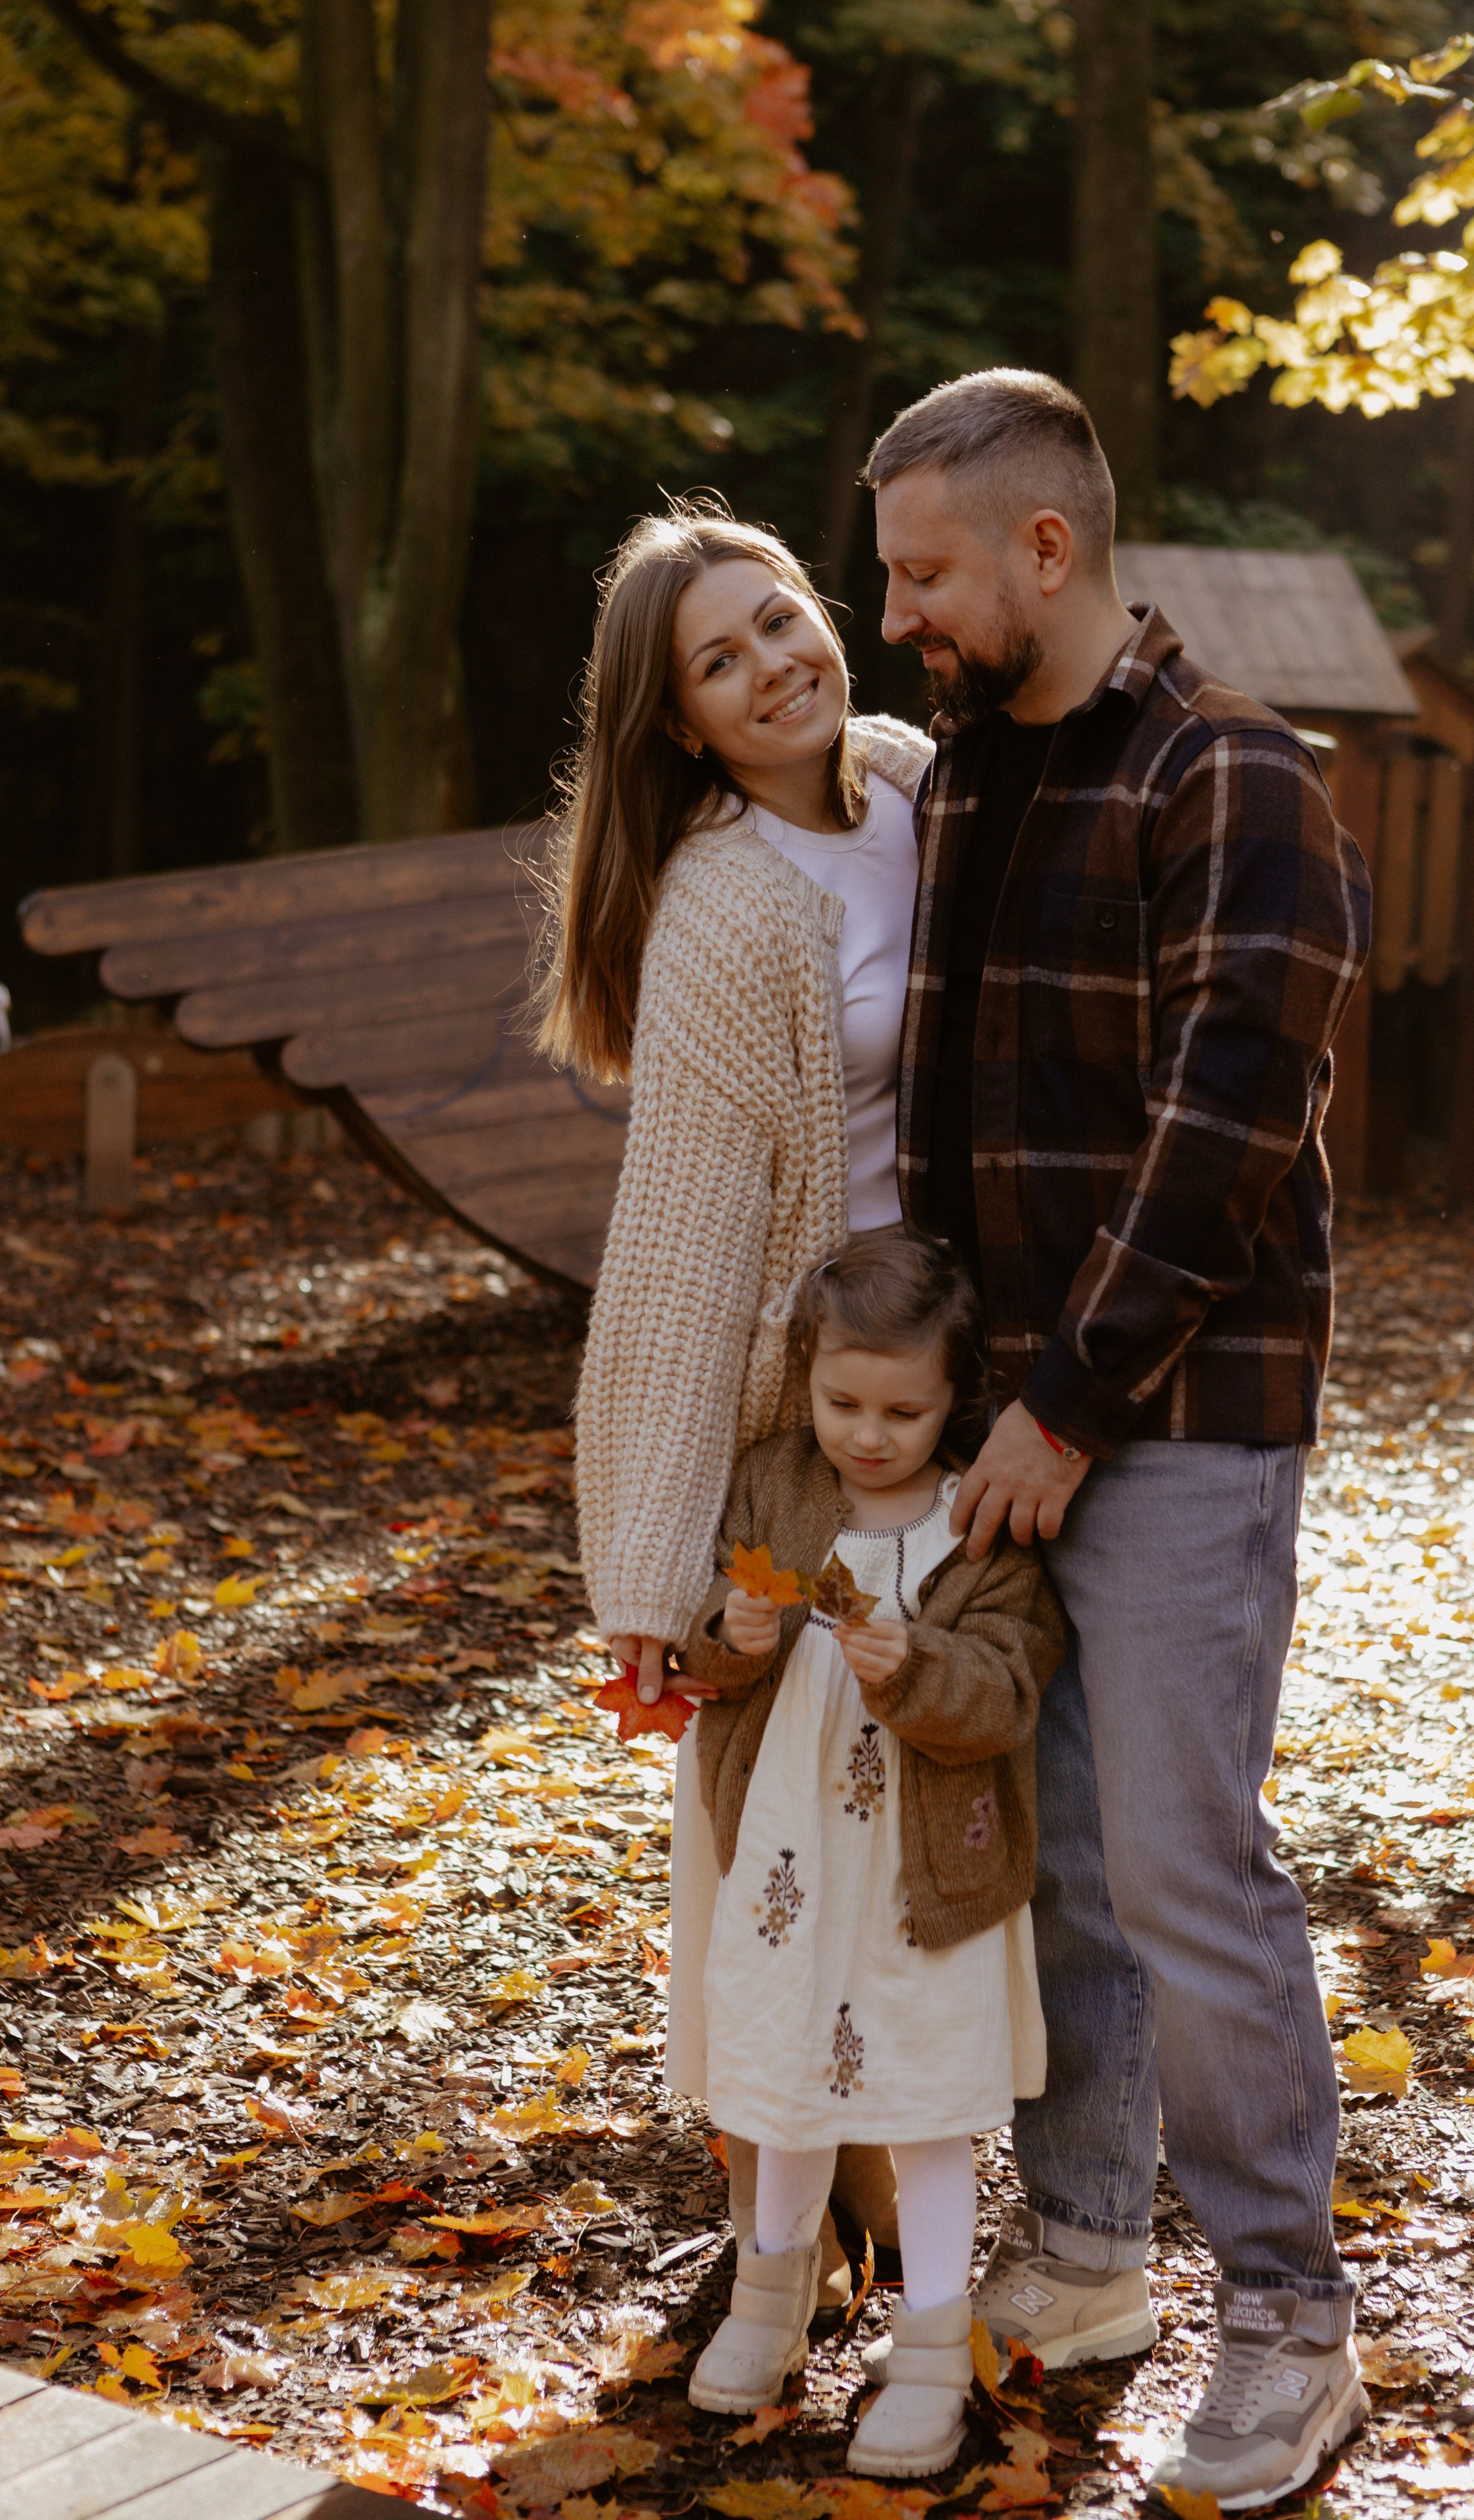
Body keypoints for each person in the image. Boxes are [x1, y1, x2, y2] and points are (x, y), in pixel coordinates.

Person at [862, 369, 1374, 2512]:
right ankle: (1086, 2256)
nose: (896, 618)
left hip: (1174, 1420)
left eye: (923, 575)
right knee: (1051, 1839)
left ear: (1043, 553)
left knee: (1179, 1855)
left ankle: (1291, 2321)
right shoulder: (973, 775)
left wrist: (1067, 1403)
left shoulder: (1230, 776)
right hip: (1009, 1423)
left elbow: (1228, 1130)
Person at [531, 495, 931, 2292]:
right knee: (785, 1831)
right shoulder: (720, 909)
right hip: (810, 1424)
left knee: (946, 1806)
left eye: (782, 618)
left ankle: (901, 2197)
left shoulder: (919, 778)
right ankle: (789, 2217)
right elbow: (685, 1247)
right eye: (723, 658)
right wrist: (653, 1562)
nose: (777, 664)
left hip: (966, 1385)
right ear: (681, 724)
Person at [677, 1227, 1063, 2477]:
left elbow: (1009, 1688)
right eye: (844, 1403)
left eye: (906, 1410)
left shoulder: (980, 1524)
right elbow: (710, 1660)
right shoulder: (774, 1486)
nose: (871, 1434)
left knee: (924, 2098)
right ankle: (771, 2293)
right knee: (789, 2073)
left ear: (957, 1401)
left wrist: (921, 1667)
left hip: (923, 1879)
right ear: (808, 1380)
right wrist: (729, 1634)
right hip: (792, 1866)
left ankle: (937, 2342)